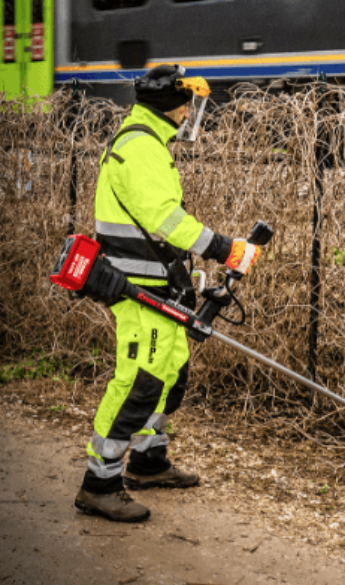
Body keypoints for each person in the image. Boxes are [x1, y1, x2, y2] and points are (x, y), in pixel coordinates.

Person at [74, 65, 261, 522]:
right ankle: (99, 482)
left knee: (170, 371)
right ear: (171, 105)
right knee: (140, 381)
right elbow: (165, 220)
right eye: (186, 103)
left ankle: (148, 460)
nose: (188, 112)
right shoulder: (140, 147)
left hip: (160, 284)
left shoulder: (149, 141)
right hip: (138, 288)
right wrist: (224, 248)